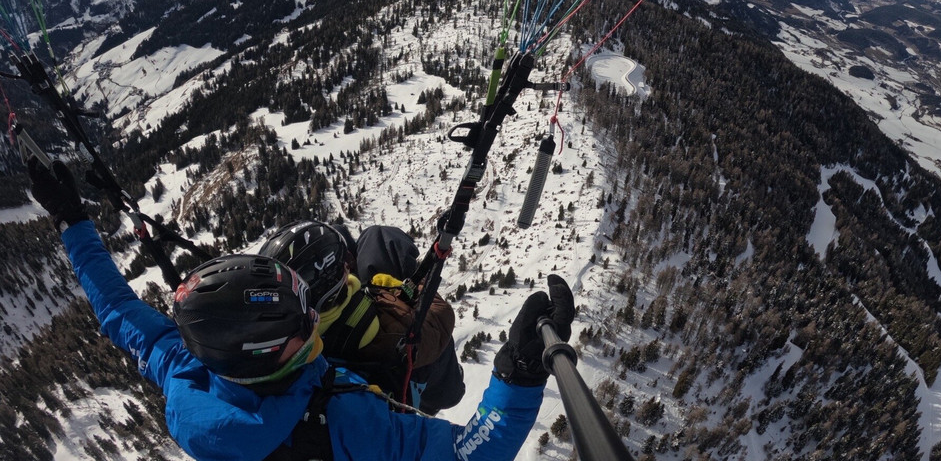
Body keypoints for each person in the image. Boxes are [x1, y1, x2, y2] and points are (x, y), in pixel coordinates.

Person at [28, 158, 574, 461]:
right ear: (270, 355)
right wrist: (516, 378)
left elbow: (117, 308)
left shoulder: (186, 373)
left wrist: (72, 221)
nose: (312, 318)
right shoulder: (344, 420)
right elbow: (467, 454)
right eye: (299, 322)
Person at [258, 221, 466, 414]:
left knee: (341, 230)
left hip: (336, 339)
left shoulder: (286, 341)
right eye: (346, 263)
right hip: (427, 386)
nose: (350, 266)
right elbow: (437, 317)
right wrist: (409, 290)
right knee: (383, 238)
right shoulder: (397, 328)